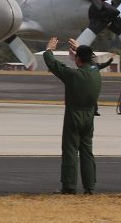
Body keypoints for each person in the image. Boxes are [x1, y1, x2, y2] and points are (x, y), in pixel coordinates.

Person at [43, 37, 102, 195]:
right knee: (87, 151)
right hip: (89, 115)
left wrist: (49, 49)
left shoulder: (73, 75)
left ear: (78, 59)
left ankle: (69, 186)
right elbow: (93, 61)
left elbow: (53, 64)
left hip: (74, 114)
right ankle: (89, 186)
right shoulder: (96, 73)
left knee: (70, 151)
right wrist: (80, 49)